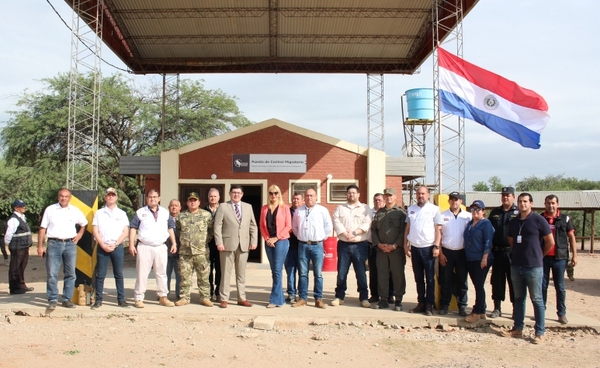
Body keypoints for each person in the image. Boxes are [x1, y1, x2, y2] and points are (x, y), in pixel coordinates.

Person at [505, 193, 554, 344]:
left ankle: (540, 332)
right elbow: (512, 241)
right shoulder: (513, 222)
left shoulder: (539, 220)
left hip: (534, 266)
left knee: (537, 299)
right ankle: (518, 328)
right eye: (520, 201)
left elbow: (550, 242)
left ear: (531, 203)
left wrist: (539, 256)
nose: (522, 204)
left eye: (525, 201)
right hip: (517, 266)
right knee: (519, 298)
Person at [37, 188, 88, 309]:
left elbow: (84, 223)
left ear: (70, 198)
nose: (63, 198)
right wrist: (40, 246)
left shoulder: (74, 210)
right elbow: (42, 228)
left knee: (70, 273)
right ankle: (53, 299)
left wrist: (80, 234)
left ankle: (67, 299)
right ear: (58, 197)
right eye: (61, 196)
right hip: (54, 243)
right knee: (52, 273)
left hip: (70, 244)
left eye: (66, 196)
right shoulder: (50, 209)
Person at [129, 189, 177, 308]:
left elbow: (170, 228)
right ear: (147, 199)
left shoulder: (165, 213)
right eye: (150, 197)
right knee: (142, 273)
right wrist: (131, 244)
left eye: (155, 197)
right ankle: (139, 298)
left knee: (161, 273)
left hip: (160, 246)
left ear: (159, 198)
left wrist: (174, 243)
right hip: (145, 246)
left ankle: (162, 296)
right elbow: (133, 228)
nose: (152, 199)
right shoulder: (140, 212)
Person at [213, 185, 258, 308]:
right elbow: (217, 226)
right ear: (229, 193)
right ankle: (224, 298)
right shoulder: (223, 206)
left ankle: (241, 298)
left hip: (244, 245)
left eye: (238, 193)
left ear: (242, 194)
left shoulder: (248, 207)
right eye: (234, 192)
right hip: (227, 245)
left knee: (241, 274)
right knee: (226, 273)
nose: (236, 195)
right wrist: (219, 242)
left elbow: (253, 225)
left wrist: (254, 241)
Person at [404, 186, 443, 316]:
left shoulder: (434, 210)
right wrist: (405, 244)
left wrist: (437, 246)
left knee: (430, 279)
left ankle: (429, 305)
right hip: (415, 248)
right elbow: (407, 228)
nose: (420, 196)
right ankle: (420, 303)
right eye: (418, 194)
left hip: (429, 248)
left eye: (423, 193)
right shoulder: (411, 209)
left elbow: (438, 229)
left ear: (428, 195)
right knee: (418, 278)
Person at [331, 184, 372, 308]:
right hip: (344, 245)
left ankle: (364, 298)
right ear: (346, 194)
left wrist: (354, 233)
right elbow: (336, 222)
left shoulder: (365, 208)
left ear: (358, 194)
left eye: (354, 193)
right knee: (342, 272)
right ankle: (339, 297)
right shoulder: (340, 208)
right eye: (349, 193)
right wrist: (345, 234)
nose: (351, 195)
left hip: (360, 246)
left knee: (361, 272)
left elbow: (367, 223)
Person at [292, 188, 333, 309]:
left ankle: (318, 299)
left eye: (311, 195)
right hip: (303, 245)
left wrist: (320, 238)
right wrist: (302, 237)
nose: (309, 198)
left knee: (318, 274)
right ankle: (302, 298)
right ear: (304, 198)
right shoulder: (298, 211)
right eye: (307, 196)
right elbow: (294, 227)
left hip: (317, 246)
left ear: (316, 197)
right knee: (303, 273)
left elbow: (328, 227)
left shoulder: (322, 210)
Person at [91, 188, 130, 309]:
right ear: (105, 197)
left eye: (113, 195)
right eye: (109, 195)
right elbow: (95, 230)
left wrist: (116, 244)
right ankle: (99, 299)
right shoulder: (99, 213)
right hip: (103, 246)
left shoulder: (122, 213)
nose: (111, 197)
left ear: (116, 197)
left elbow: (125, 231)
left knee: (118, 274)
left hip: (117, 246)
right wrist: (102, 244)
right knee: (100, 274)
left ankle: (121, 299)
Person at [541, 194, 578, 324]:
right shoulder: (540, 218)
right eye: (548, 203)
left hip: (560, 258)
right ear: (545, 204)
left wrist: (575, 254)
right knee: (542, 286)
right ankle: (541, 312)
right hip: (543, 258)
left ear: (557, 204)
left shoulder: (565, 219)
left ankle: (561, 313)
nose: (551, 205)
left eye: (553, 203)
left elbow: (571, 237)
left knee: (560, 287)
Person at [175, 192, 214, 307]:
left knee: (204, 277)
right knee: (185, 277)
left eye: (195, 200)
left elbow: (210, 232)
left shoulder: (206, 215)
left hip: (201, 252)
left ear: (199, 202)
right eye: (190, 200)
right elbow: (178, 231)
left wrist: (202, 242)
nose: (193, 202)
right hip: (185, 252)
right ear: (187, 202)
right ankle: (184, 297)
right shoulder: (181, 216)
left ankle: (205, 297)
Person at [371, 188, 407, 311]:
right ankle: (383, 299)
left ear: (395, 196)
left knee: (398, 275)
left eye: (390, 195)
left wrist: (395, 245)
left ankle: (398, 300)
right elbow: (374, 230)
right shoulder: (379, 213)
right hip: (381, 250)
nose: (388, 198)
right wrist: (379, 244)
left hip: (396, 250)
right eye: (386, 196)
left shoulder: (401, 213)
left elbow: (404, 231)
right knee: (382, 275)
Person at [488, 186, 519, 318]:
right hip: (498, 252)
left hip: (513, 253)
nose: (505, 197)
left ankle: (515, 309)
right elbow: (489, 231)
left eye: (508, 195)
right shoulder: (495, 212)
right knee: (497, 281)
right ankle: (497, 308)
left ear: (513, 197)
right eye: (503, 195)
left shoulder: (518, 212)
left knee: (514, 281)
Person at [438, 192, 471, 316]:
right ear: (449, 201)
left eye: (456, 200)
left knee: (462, 280)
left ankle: (462, 306)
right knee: (445, 279)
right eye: (452, 200)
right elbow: (439, 235)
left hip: (462, 252)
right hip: (447, 251)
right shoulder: (442, 215)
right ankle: (444, 305)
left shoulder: (468, 216)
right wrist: (440, 253)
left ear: (461, 201)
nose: (454, 202)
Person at [259, 184, 292, 308]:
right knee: (274, 271)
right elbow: (261, 226)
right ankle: (280, 299)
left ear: (279, 194)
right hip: (268, 242)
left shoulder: (285, 208)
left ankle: (274, 300)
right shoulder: (264, 208)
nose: (273, 195)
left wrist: (277, 237)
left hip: (281, 241)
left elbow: (288, 226)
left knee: (277, 270)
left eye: (276, 193)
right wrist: (267, 239)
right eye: (271, 193)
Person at [463, 200, 494, 322]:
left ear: (483, 211)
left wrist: (484, 258)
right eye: (473, 209)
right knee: (477, 285)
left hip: (481, 259)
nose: (475, 212)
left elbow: (488, 242)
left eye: (478, 209)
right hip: (470, 258)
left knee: (479, 285)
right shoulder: (470, 224)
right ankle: (482, 310)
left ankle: (476, 311)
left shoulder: (485, 224)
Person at [367, 193, 395, 304]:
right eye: (375, 200)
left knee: (390, 271)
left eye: (379, 200)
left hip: (387, 246)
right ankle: (374, 295)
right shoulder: (369, 213)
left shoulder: (386, 213)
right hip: (372, 245)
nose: (377, 202)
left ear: (383, 201)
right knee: (373, 271)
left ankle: (390, 294)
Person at [4, 199, 33, 295]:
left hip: (24, 246)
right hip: (17, 246)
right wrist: (8, 243)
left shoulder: (22, 217)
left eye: (24, 205)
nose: (24, 207)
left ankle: (21, 285)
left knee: (21, 267)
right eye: (21, 206)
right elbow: (9, 233)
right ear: (16, 208)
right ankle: (14, 287)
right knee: (15, 267)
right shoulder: (13, 220)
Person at [284, 192, 303, 303]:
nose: (296, 200)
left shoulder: (305, 212)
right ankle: (291, 294)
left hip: (302, 246)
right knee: (290, 272)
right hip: (289, 247)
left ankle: (302, 294)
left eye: (298, 199)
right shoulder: (287, 212)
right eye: (294, 199)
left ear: (302, 201)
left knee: (302, 272)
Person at [205, 188, 221, 301]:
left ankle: (219, 292)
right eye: (211, 196)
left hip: (220, 244)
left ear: (219, 197)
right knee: (208, 270)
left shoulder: (224, 209)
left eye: (215, 196)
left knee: (220, 270)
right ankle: (209, 292)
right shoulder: (203, 211)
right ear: (208, 197)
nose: (213, 198)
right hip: (207, 244)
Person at [166, 199, 181, 300]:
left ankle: (179, 294)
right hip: (166, 252)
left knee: (179, 275)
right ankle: (164, 293)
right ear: (169, 207)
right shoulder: (164, 219)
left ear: (180, 208)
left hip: (180, 252)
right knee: (165, 275)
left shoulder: (183, 219)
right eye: (172, 205)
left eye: (176, 205)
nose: (174, 207)